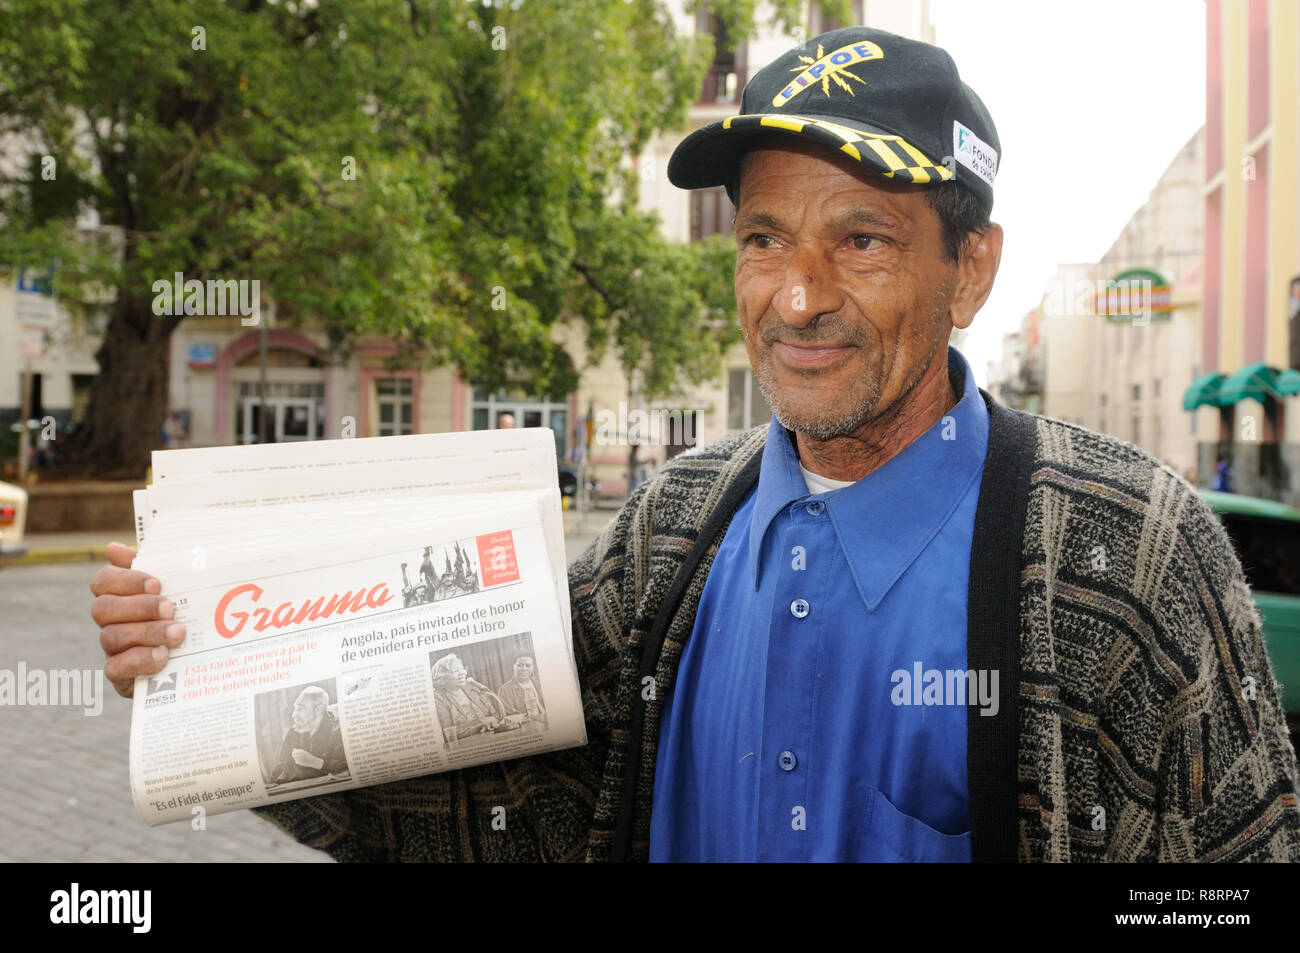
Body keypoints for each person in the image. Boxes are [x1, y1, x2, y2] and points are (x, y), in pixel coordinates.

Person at [90, 26, 1299, 862]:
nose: (795, 295)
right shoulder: (671, 526)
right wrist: (205, 660)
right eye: (764, 236)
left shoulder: (1126, 549)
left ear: (969, 267)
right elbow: (506, 796)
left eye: (861, 240)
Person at [270, 686, 347, 783]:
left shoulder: (339, 729)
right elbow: (282, 765)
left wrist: (316, 762)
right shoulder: (293, 732)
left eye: (300, 709)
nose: (294, 715)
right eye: (295, 709)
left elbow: (346, 766)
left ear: (318, 709)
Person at [430, 653, 508, 743]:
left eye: (462, 668)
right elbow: (447, 732)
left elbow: (495, 715)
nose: (462, 673)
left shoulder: (472, 688)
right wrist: (479, 723)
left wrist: (494, 722)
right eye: (455, 671)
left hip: (493, 739)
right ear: (441, 678)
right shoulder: (438, 698)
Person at [497, 656, 547, 727]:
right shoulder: (505, 690)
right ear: (513, 667)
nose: (524, 669)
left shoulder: (540, 684)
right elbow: (509, 716)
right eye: (520, 665)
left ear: (533, 668)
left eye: (528, 665)